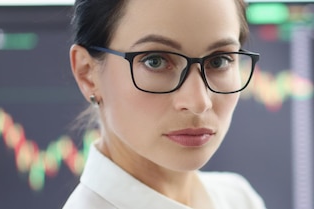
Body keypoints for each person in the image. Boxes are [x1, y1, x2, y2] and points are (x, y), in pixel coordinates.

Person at [62, 0, 265, 208]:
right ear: (87, 73)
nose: (199, 102)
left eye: (219, 61)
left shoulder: (239, 199)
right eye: (155, 61)